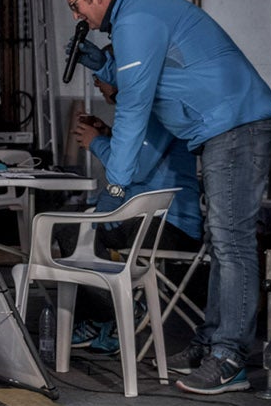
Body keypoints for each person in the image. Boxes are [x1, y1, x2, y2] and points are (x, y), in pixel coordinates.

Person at [62, 0, 271, 395]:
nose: (76, 16)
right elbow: (159, 73)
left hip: (234, 124)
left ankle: (229, 357)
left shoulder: (137, 18)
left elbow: (135, 106)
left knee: (231, 239)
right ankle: (209, 343)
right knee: (222, 240)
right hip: (223, 127)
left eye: (76, 4)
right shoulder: (137, 15)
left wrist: (117, 185)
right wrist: (102, 66)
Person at [66, 72, 202, 355]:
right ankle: (103, 316)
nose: (95, 82)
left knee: (72, 230)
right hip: (147, 218)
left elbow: (136, 169)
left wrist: (97, 143)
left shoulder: (157, 112)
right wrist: (108, 135)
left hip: (169, 225)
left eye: (101, 74)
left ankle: (120, 311)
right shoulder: (144, 111)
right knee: (75, 226)